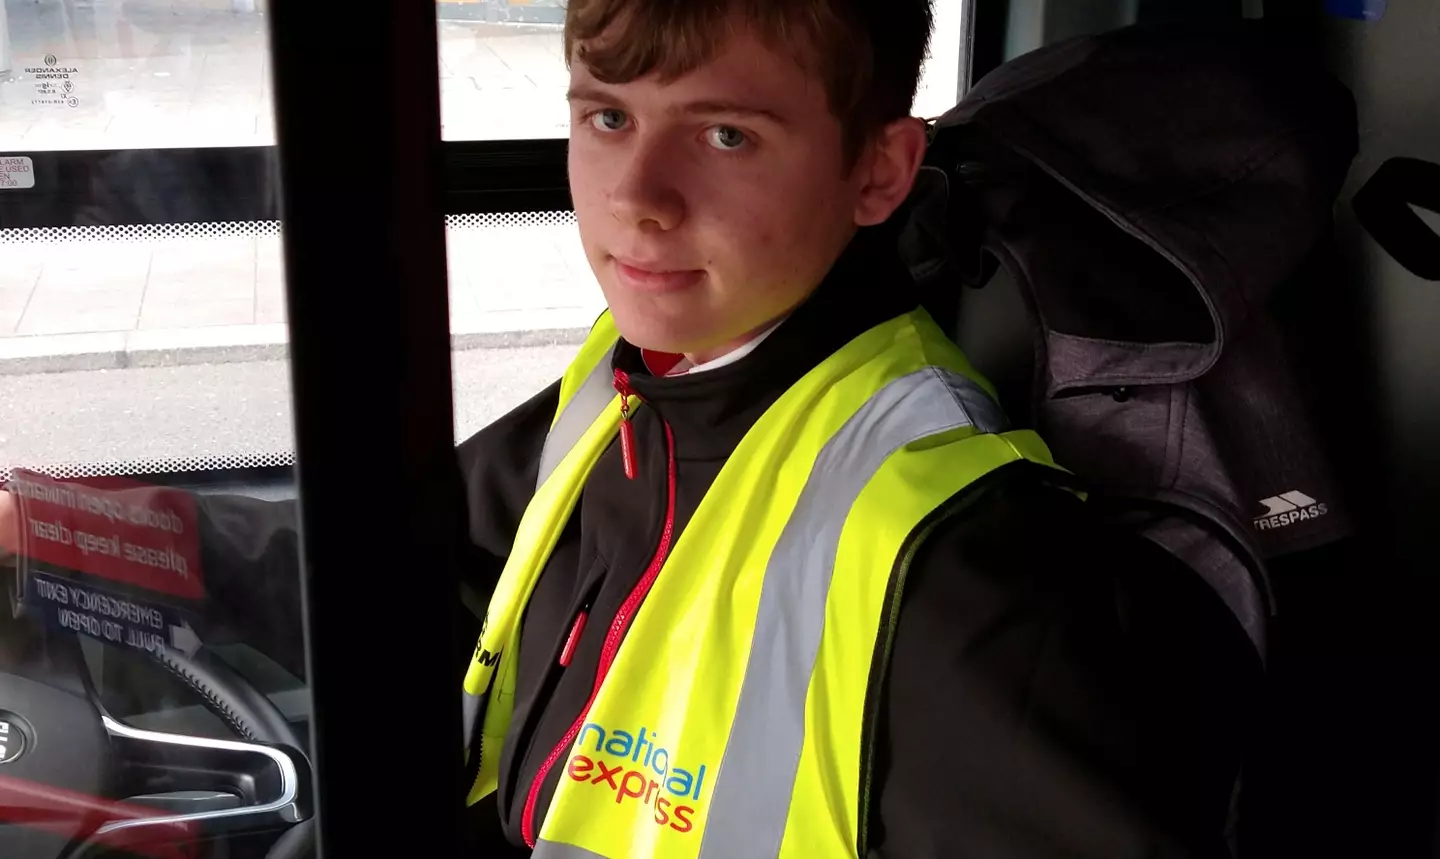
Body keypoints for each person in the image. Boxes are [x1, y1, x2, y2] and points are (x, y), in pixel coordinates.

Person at [0, 0, 1261, 855]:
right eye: (608, 116)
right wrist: (58, 528)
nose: (639, 201)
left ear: (878, 171)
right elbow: (385, 573)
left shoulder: (972, 583)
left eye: (725, 133)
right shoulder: (637, 388)